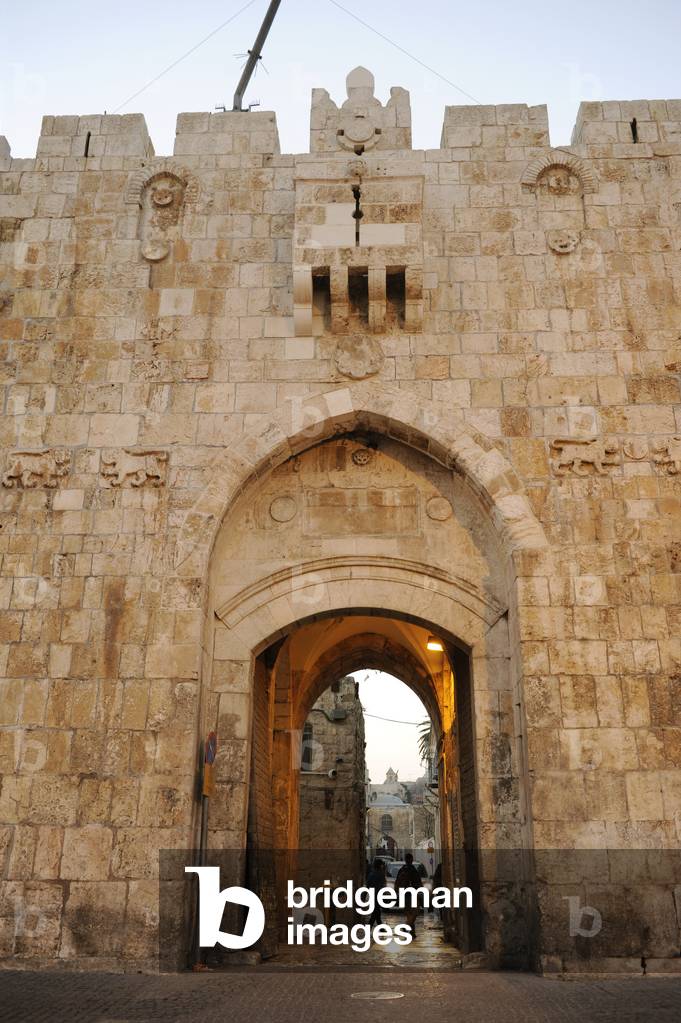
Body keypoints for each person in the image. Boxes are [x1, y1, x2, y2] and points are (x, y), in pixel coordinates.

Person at [394, 853, 422, 939]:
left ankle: (412, 932)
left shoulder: (402, 870)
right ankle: (406, 927)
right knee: (415, 912)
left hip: (403, 894)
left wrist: (397, 891)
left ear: (405, 860)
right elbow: (418, 882)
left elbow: (397, 882)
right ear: (412, 860)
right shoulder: (414, 870)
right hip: (412, 894)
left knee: (409, 913)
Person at [366, 857, 386, 926]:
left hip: (373, 894)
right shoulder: (380, 874)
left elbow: (368, 884)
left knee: (376, 911)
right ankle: (371, 927)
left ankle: (379, 926)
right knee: (376, 912)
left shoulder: (372, 873)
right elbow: (383, 884)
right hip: (377, 895)